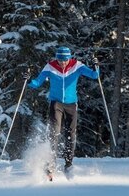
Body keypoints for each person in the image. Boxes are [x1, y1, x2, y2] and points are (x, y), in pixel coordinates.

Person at [26, 46, 100, 174]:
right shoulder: (50, 67)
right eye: (60, 60)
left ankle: (68, 163)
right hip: (56, 103)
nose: (62, 62)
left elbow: (94, 75)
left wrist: (96, 66)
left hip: (71, 104)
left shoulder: (77, 66)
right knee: (54, 132)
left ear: (69, 58)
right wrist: (28, 80)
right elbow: (37, 83)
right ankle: (51, 164)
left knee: (70, 134)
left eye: (65, 60)